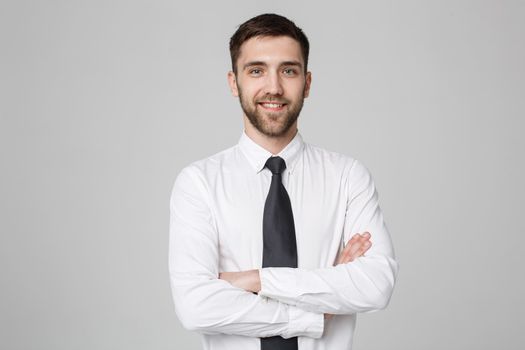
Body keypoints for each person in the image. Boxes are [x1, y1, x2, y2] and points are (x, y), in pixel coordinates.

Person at [169, 13, 398, 350]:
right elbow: (195, 307)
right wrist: (316, 310)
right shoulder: (199, 183)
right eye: (256, 70)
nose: (274, 87)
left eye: (288, 71)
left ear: (306, 82)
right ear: (234, 83)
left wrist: (256, 280)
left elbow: (376, 284)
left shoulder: (348, 177)